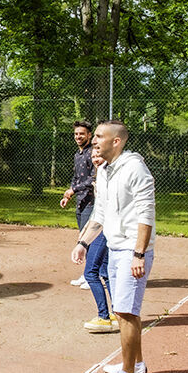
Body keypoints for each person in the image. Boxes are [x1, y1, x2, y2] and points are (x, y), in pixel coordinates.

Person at [70, 120, 156, 373]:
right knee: (124, 311)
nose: (93, 141)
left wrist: (139, 254)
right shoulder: (105, 170)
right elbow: (100, 214)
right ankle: (136, 364)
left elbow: (146, 215)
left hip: (132, 250)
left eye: (98, 136)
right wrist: (83, 242)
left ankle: (128, 372)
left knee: (126, 312)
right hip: (116, 247)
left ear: (116, 141)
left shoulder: (135, 169)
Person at [60, 120, 115, 333]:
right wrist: (70, 192)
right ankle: (114, 313)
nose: (78, 136)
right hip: (85, 202)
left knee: (96, 269)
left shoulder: (105, 173)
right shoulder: (80, 156)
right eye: (76, 133)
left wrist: (73, 190)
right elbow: (78, 178)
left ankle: (107, 314)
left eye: (82, 133)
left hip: (95, 210)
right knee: (102, 268)